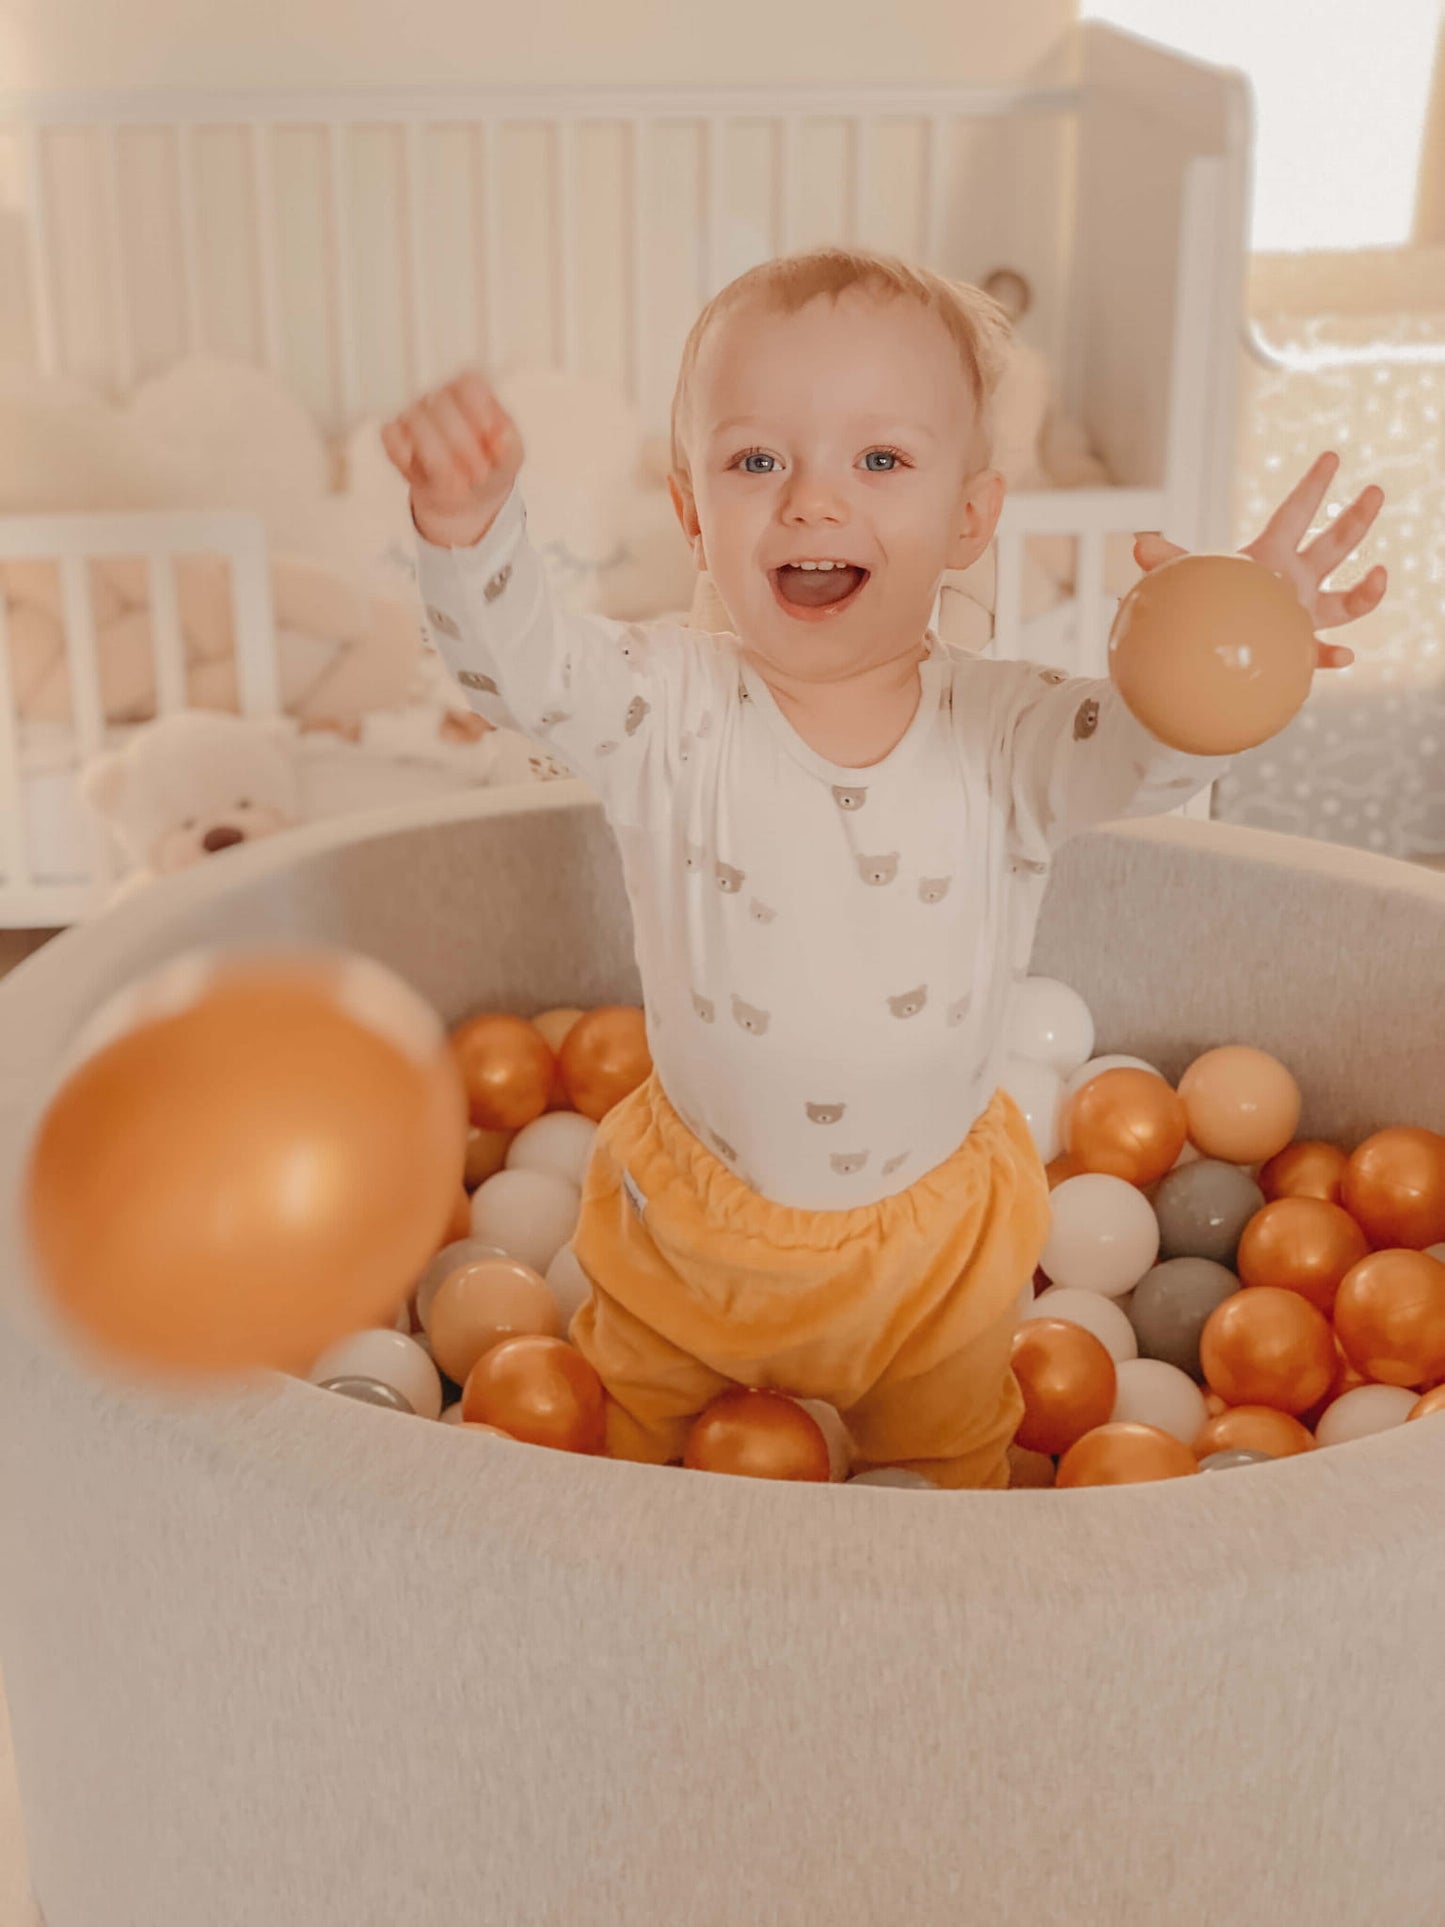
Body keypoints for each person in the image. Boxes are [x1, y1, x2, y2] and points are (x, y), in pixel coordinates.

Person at [382, 247, 1385, 1487]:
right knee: (626, 1481)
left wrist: (1228, 645)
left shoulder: (1007, 733)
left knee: (947, 1496)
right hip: (694, 1227)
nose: (811, 500)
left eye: (880, 461)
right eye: (756, 461)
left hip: (932, 1247)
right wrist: (467, 530)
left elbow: (1139, 760)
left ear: (968, 516)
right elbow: (517, 674)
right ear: (692, 511)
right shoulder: (662, 707)